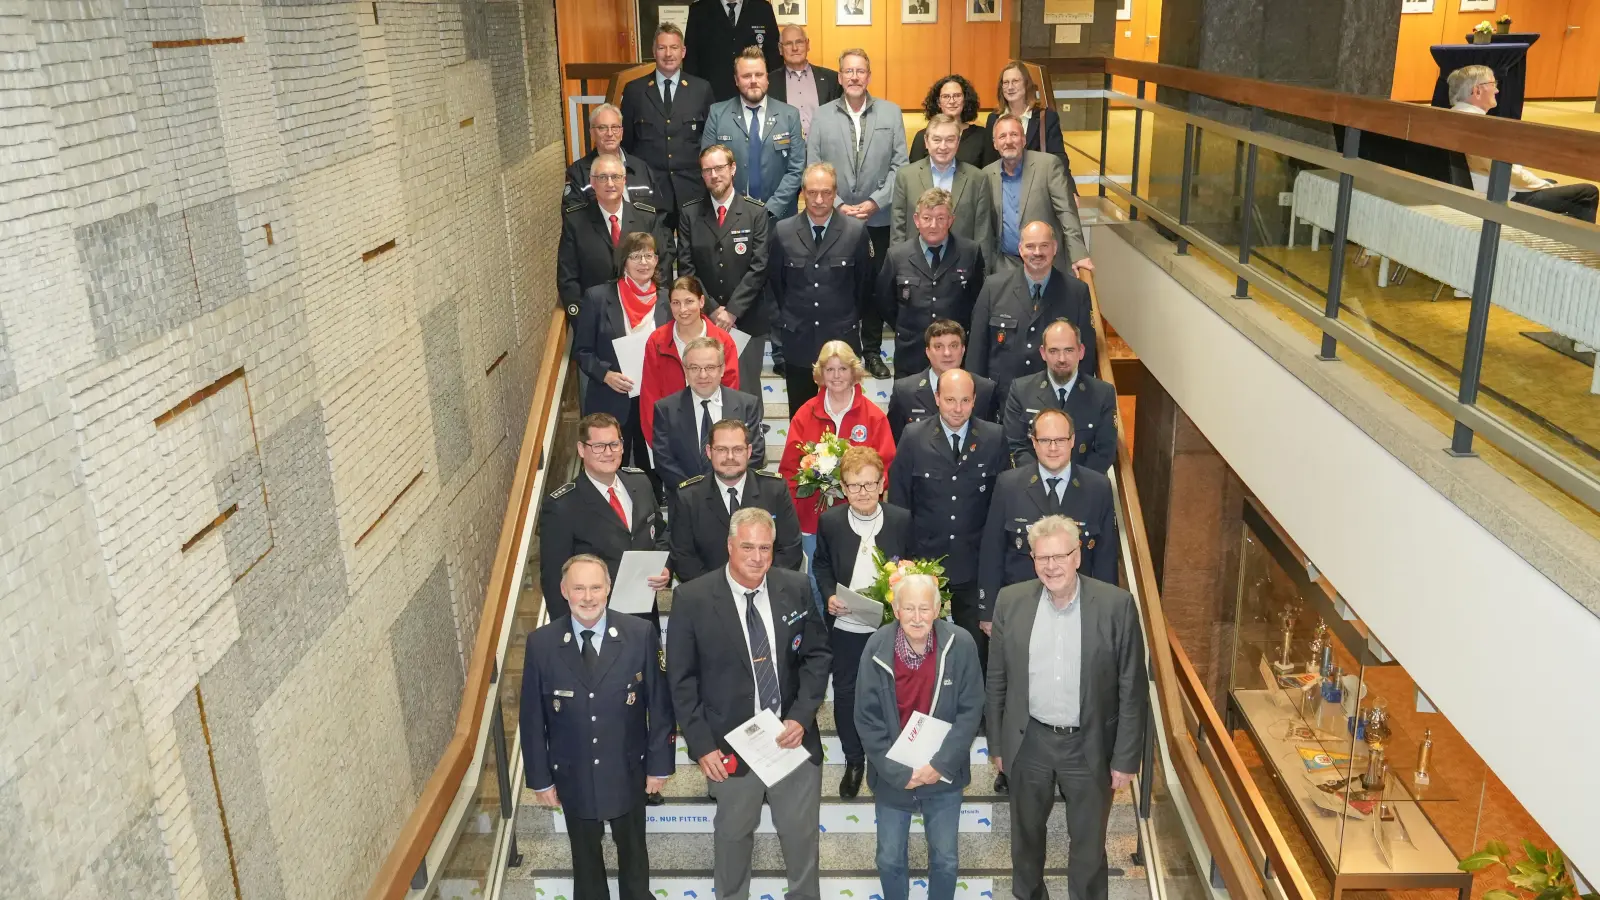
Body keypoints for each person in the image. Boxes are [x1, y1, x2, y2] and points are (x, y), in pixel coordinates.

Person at [666, 507, 831, 900]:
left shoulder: (796, 587)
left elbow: (817, 656)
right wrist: (702, 745)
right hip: (729, 747)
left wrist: (801, 716)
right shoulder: (692, 598)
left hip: (792, 741)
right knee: (732, 841)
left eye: (766, 548)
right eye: (748, 547)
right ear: (729, 546)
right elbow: (681, 681)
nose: (758, 557)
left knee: (802, 841)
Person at [986, 515, 1147, 900]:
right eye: (1043, 558)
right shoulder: (1010, 602)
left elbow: (1132, 687)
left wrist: (1125, 758)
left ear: (1078, 556)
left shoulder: (1116, 605)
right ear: (1033, 560)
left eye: (1061, 556)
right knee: (1025, 842)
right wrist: (997, 746)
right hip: (1030, 743)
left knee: (1089, 848)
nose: (1052, 566)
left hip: (1089, 746)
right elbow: (996, 681)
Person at [520, 554, 675, 900]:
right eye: (578, 588)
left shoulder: (639, 634)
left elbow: (660, 706)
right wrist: (541, 778)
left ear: (608, 589)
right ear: (564, 591)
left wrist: (659, 765)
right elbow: (532, 718)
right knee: (586, 867)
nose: (587, 597)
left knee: (634, 859)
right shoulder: (542, 644)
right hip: (573, 775)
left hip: (628, 771)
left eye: (595, 587)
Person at [854, 574, 983, 900]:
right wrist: (898, 771)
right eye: (908, 608)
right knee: (888, 858)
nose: (916, 617)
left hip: (944, 775)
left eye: (924, 608)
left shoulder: (962, 643)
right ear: (895, 609)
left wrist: (939, 765)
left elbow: (970, 712)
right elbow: (866, 718)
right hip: (892, 776)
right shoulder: (876, 646)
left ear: (938, 609)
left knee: (945, 860)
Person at [889, 369, 1005, 671]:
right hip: (925, 564)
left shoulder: (994, 437)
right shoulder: (914, 437)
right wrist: (904, 562)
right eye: (950, 399)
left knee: (976, 651)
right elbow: (900, 501)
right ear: (937, 398)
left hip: (975, 563)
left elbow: (1001, 502)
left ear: (975, 400)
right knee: (922, 649)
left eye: (965, 400)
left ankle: (975, 717)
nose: (957, 408)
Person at [812, 446, 910, 799]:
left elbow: (914, 564)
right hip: (846, 627)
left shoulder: (901, 519)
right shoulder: (831, 522)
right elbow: (821, 565)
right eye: (854, 486)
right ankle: (854, 761)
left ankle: (891, 760)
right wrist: (828, 596)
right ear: (842, 487)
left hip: (891, 628)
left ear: (882, 484)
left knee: (895, 692)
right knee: (847, 693)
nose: (863, 492)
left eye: (869, 484)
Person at [806, 49, 907, 379]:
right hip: (835, 219)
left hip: (877, 219)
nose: (854, 77)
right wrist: (837, 206)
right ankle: (837, 355)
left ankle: (873, 352)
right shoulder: (821, 116)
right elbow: (813, 165)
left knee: (875, 287)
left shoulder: (891, 114)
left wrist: (875, 202)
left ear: (869, 75)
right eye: (848, 71)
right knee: (838, 287)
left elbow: (899, 167)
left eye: (860, 71)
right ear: (839, 77)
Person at [779, 341, 898, 609]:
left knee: (861, 584)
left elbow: (886, 467)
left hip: (862, 520)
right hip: (813, 521)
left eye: (842, 368)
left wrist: (857, 489)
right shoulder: (804, 414)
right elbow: (789, 469)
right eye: (829, 369)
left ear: (854, 371)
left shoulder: (874, 417)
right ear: (820, 373)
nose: (836, 376)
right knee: (817, 588)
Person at [980, 408, 1118, 611]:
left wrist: (1107, 612)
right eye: (1045, 440)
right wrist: (988, 610)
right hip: (1020, 608)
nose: (1053, 448)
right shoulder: (1008, 485)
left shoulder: (1098, 488)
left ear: (1072, 440)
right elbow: (992, 550)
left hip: (1080, 608)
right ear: (1034, 442)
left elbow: (1105, 558)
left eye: (1060, 440)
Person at [538, 414, 671, 622]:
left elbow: (662, 534)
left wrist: (665, 567)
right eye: (599, 446)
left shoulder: (640, 482)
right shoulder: (561, 506)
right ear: (582, 450)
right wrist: (569, 638)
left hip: (647, 617)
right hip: (597, 622)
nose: (608, 453)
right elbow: (554, 581)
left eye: (614, 444)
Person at [768, 163, 873, 414]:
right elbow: (774, 285)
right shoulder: (783, 231)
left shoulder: (855, 231)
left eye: (826, 192)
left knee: (846, 415)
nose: (818, 199)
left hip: (842, 342)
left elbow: (865, 287)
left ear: (835, 192)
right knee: (801, 416)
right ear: (802, 192)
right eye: (812, 192)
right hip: (799, 341)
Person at [573, 231, 674, 474]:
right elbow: (582, 350)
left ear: (657, 260)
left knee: (653, 470)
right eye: (636, 256)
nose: (643, 263)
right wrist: (606, 374)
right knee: (610, 470)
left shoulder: (668, 299)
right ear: (623, 261)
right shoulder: (598, 297)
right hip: (611, 397)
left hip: (655, 401)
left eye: (649, 255)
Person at [678, 144, 774, 394]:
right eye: (707, 170)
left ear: (732, 169)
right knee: (707, 388)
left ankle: (753, 434)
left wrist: (731, 311)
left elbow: (759, 266)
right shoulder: (690, 214)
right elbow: (687, 268)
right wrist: (711, 309)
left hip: (747, 318)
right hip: (705, 319)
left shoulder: (756, 212)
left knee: (747, 390)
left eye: (719, 168)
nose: (713, 175)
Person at [1447, 66, 1598, 223]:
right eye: (1493, 84)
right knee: (1588, 192)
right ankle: (1579, 245)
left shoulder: (1449, 117)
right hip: (1499, 198)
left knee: (1551, 185)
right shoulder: (1480, 127)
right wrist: (1543, 184)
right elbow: (1506, 172)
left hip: (1470, 191)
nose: (1497, 90)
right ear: (1477, 91)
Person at [967, 221, 1098, 400]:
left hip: (1054, 400)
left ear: (1054, 248)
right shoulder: (993, 287)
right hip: (1002, 401)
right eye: (1030, 246)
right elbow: (977, 351)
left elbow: (1087, 355)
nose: (1037, 252)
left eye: (1044, 246)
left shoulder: (1077, 292)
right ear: (1020, 249)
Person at [669, 419, 806, 580]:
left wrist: (760, 587)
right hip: (709, 597)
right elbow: (683, 557)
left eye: (738, 449)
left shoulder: (774, 490)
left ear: (749, 451)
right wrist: (717, 592)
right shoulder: (689, 497)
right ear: (708, 451)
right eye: (721, 449)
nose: (730, 457)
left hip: (766, 592)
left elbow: (790, 549)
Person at [878, 188, 986, 377]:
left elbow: (978, 302)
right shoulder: (897, 256)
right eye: (927, 218)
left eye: (941, 218)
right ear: (916, 220)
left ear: (951, 220)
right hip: (912, 353)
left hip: (954, 357)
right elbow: (885, 303)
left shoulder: (970, 252)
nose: (933, 225)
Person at [558, 155, 673, 324]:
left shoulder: (645, 218)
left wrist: (656, 309)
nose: (610, 184)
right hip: (596, 319)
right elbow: (568, 277)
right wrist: (583, 319)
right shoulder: (576, 222)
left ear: (624, 180)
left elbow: (663, 262)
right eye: (602, 177)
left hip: (644, 315)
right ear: (592, 182)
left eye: (616, 177)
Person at [621, 23, 717, 216]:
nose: (668, 54)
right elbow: (627, 143)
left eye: (674, 47)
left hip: (692, 188)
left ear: (683, 52)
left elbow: (710, 141)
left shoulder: (701, 89)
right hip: (650, 189)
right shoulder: (634, 91)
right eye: (662, 47)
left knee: (694, 246)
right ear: (654, 52)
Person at [654, 337, 767, 497]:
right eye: (694, 368)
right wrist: (694, 493)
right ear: (685, 370)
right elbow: (664, 461)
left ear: (722, 369)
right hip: (686, 502)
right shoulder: (665, 409)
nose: (703, 375)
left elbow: (755, 454)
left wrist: (725, 488)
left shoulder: (747, 404)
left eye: (710, 367)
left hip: (735, 499)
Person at [702, 47, 807, 219]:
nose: (753, 81)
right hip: (731, 216)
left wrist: (772, 208)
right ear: (736, 80)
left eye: (759, 75)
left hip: (779, 217)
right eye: (746, 76)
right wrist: (735, 207)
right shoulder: (717, 114)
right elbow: (709, 166)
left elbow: (796, 169)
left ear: (767, 78)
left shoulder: (790, 115)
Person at [1001, 319, 1116, 472]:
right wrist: (1043, 482)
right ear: (1043, 353)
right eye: (1054, 351)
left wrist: (1070, 483)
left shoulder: (1103, 394)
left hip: (1082, 487)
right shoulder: (1021, 390)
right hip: (1033, 485)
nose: (1061, 359)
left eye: (1069, 350)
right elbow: (1016, 445)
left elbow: (1104, 451)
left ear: (1081, 352)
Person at [640, 276, 741, 447]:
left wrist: (724, 440)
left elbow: (731, 391)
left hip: (715, 433)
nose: (683, 309)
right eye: (676, 303)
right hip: (670, 434)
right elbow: (650, 395)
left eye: (689, 301)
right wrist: (657, 442)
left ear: (701, 301)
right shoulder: (657, 341)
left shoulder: (723, 340)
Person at [985, 114, 1091, 277]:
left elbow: (1066, 212)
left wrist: (1078, 254)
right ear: (995, 144)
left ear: (1024, 139)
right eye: (1002, 136)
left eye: (1014, 134)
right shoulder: (986, 175)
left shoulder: (1048, 166)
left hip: (1047, 265)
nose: (1008, 141)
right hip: (1006, 267)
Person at [892, 114, 994, 253]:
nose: (943, 146)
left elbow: (983, 235)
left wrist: (982, 272)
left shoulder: (977, 179)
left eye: (950, 140)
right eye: (937, 140)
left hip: (961, 265)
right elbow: (898, 231)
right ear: (926, 142)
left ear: (958, 142)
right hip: (915, 264)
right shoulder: (905, 176)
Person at [887, 319, 998, 441]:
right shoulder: (904, 391)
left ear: (963, 350)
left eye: (953, 346)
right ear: (927, 352)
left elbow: (991, 440)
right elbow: (895, 443)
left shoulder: (985, 389)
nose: (947, 353)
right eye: (938, 346)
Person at [984, 61, 1076, 192]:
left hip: (1038, 190)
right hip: (1004, 190)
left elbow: (1059, 158)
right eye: (1006, 82)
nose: (1010, 87)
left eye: (1015, 81)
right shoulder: (993, 119)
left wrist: (1070, 190)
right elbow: (989, 160)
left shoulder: (1046, 118)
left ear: (1026, 84)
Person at [565, 103, 668, 210]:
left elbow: (660, 215)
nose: (610, 133)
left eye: (615, 127)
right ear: (592, 133)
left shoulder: (641, 169)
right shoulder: (577, 173)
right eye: (602, 128)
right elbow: (573, 220)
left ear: (622, 132)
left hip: (642, 227)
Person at [684, 0, 781, 103]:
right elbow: (691, 61)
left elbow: (774, 58)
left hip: (755, 96)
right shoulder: (699, 10)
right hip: (712, 98)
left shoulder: (763, 9)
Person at [766, 26, 840, 138]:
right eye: (788, 43)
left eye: (799, 42)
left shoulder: (831, 78)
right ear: (780, 49)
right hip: (785, 151)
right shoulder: (769, 82)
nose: (795, 48)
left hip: (824, 151)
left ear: (807, 44)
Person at [909, 74, 997, 169]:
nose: (952, 101)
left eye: (957, 95)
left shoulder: (982, 136)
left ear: (965, 100)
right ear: (938, 102)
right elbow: (914, 175)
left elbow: (989, 175)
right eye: (946, 96)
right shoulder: (922, 136)